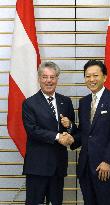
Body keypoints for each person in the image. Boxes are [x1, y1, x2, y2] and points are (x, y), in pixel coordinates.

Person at [70, 60, 110, 205]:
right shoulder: (83, 102)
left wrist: (108, 161)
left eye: (95, 75)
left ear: (105, 77)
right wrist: (70, 133)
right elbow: (85, 134)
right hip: (86, 167)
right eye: (87, 76)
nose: (91, 79)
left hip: (106, 169)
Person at [22, 61, 76, 205]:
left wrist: (69, 125)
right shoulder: (29, 103)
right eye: (45, 77)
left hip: (58, 166)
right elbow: (32, 130)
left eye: (52, 77)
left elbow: (74, 131)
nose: (49, 81)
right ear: (39, 78)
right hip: (37, 166)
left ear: (57, 79)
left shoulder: (66, 101)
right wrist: (58, 136)